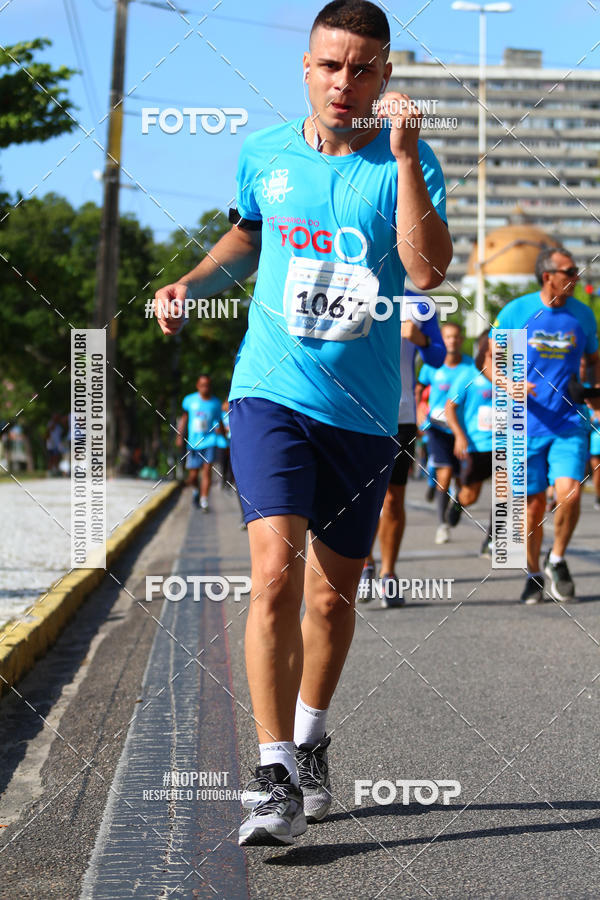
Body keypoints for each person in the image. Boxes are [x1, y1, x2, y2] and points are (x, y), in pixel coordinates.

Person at [154, 0, 451, 846]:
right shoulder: (265, 153)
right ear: (307, 68)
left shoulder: (409, 160)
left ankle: (312, 737)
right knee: (275, 578)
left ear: (385, 75)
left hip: (362, 411)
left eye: (362, 68)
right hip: (268, 392)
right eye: (330, 65)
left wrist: (403, 160)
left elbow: (427, 272)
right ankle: (274, 770)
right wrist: (190, 282)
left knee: (330, 595)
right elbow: (248, 237)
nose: (343, 82)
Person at [490, 247, 600, 604]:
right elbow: (492, 361)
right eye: (569, 271)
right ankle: (533, 572)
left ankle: (558, 558)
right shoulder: (517, 311)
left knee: (569, 493)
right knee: (533, 506)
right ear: (548, 276)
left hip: (569, 421)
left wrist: (594, 393)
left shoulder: (582, 315)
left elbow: (594, 359)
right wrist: (508, 384)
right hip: (523, 424)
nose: (576, 277)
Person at [358, 295, 445, 606]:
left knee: (393, 499)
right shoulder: (352, 289)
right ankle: (365, 565)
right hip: (356, 414)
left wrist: (421, 339)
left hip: (400, 415)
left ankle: (389, 575)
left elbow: (438, 357)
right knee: (361, 499)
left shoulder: (419, 304)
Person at [415, 322, 475, 545]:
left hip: (462, 429)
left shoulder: (470, 365)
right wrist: (419, 409)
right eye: (448, 337)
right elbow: (419, 388)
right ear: (442, 339)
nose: (452, 341)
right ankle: (442, 525)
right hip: (437, 426)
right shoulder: (432, 364)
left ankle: (455, 506)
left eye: (456, 337)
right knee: (445, 473)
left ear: (461, 339)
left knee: (463, 480)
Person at [444, 332, 494, 557]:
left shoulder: (512, 375)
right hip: (477, 445)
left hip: (506, 444)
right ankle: (458, 503)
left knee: (505, 494)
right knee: (471, 495)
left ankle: (492, 540)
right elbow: (450, 407)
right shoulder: (469, 375)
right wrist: (459, 435)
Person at [177, 375, 223, 511]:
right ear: (198, 386)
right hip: (193, 443)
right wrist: (179, 435)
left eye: (207, 385)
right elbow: (184, 418)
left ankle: (204, 500)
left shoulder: (216, 403)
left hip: (209, 441)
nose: (205, 388)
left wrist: (223, 437)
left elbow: (219, 421)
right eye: (202, 385)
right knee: (193, 475)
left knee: (207, 471)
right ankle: (196, 491)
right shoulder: (189, 400)